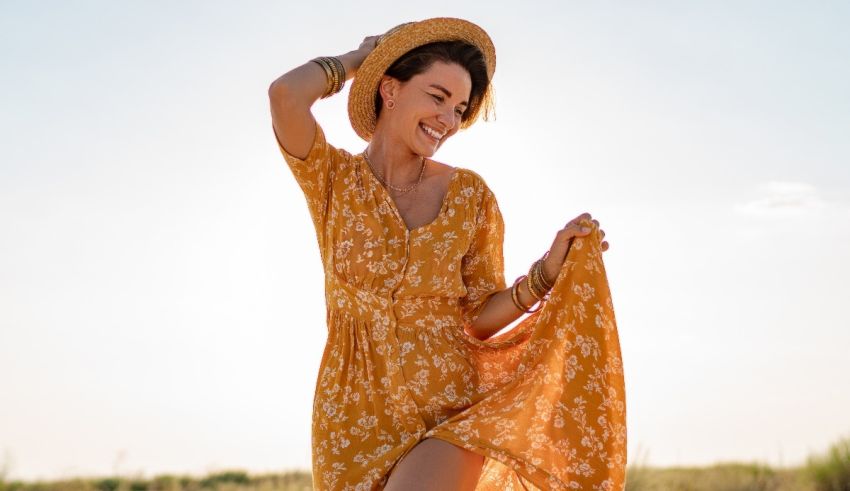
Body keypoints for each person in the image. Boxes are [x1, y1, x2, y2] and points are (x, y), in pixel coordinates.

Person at [268, 17, 626, 491]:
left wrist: (546, 273)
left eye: (459, 108)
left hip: (447, 412)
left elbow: (477, 317)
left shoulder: (470, 197)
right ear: (389, 90)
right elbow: (286, 96)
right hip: (350, 420)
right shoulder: (334, 183)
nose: (449, 120)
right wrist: (361, 60)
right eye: (437, 97)